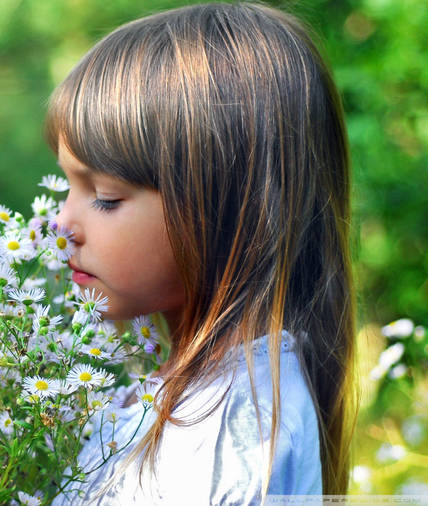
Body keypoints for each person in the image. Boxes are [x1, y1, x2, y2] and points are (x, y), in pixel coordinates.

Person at [46, 2, 357, 504]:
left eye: (104, 196)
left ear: (224, 206)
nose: (61, 225)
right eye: (67, 185)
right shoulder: (203, 395)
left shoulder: (234, 430)